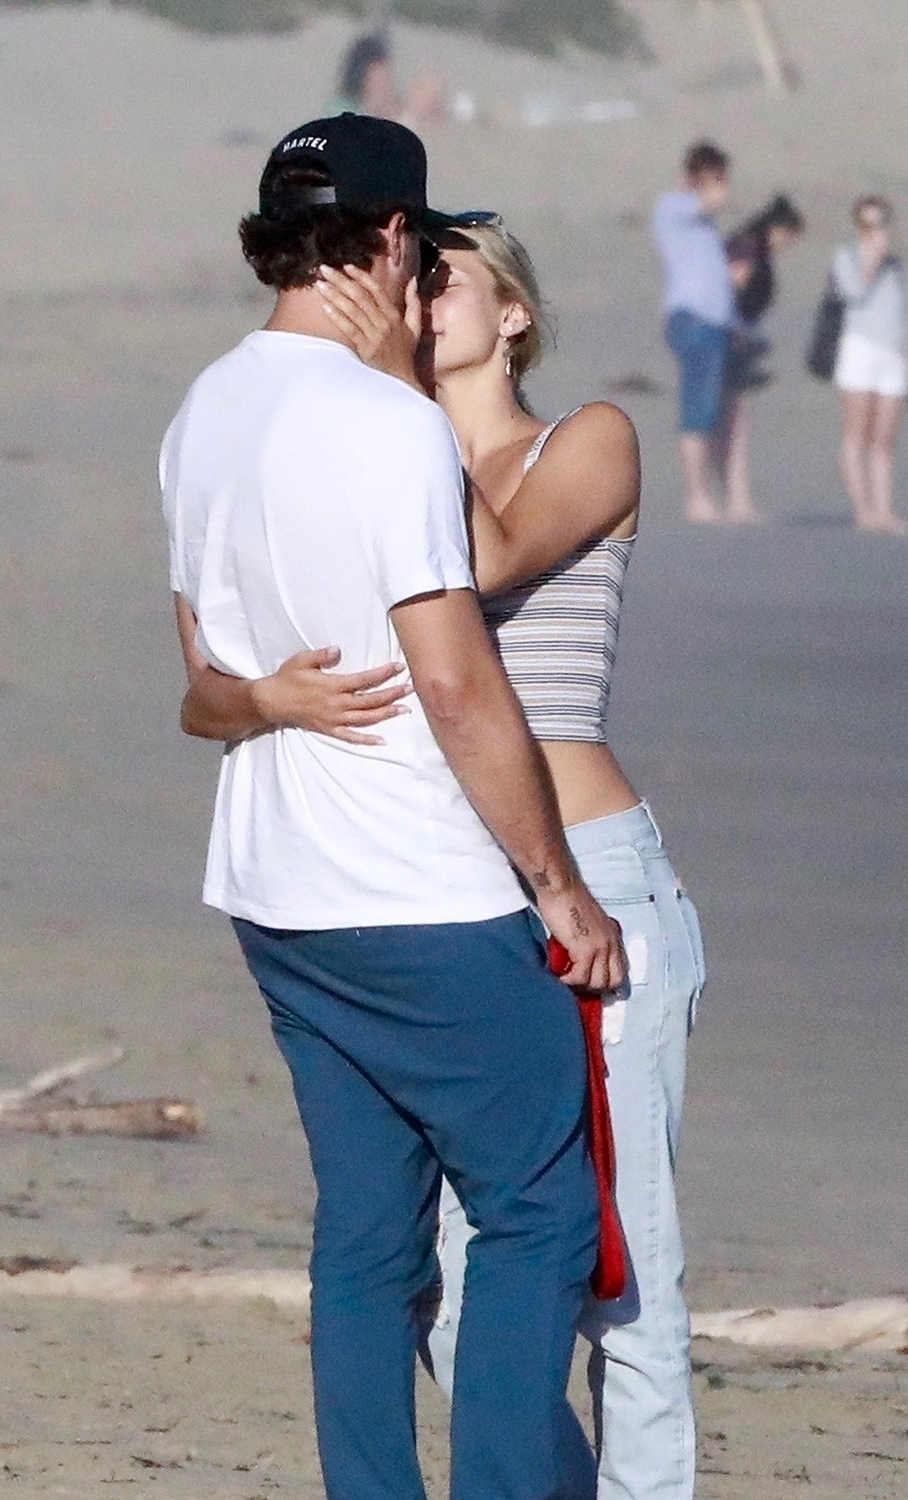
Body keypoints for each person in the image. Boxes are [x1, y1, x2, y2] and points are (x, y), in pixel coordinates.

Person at [185, 215, 707, 1500]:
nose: (413, 302)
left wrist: (386, 396)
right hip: (441, 883)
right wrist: (268, 698)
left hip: (590, 865)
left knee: (624, 1282)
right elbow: (215, 671)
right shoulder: (376, 446)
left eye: (445, 281)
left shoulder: (586, 439)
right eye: (409, 280)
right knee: (475, 1294)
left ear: (513, 314)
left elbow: (484, 560)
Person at [653, 142, 734, 522]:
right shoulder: (675, 206)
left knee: (711, 409)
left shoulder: (701, 224)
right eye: (715, 178)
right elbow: (707, 200)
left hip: (713, 322)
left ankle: (716, 496)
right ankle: (697, 498)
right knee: (697, 408)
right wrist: (703, 185)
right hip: (693, 320)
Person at [716, 194, 805, 522]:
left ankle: (733, 498)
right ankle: (736, 500)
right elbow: (730, 289)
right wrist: (740, 336)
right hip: (733, 341)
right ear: (779, 228)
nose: (789, 244)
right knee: (734, 422)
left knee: (728, 421)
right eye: (790, 236)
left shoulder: (746, 245)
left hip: (737, 340)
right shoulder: (749, 249)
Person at [832, 196, 907, 534]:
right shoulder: (845, 256)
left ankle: (883, 508)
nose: (876, 231)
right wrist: (872, 259)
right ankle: (861, 508)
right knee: (857, 433)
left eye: (881, 224)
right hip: (859, 350)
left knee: (884, 437)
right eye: (868, 225)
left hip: (892, 354)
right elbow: (853, 292)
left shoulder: (896, 264)